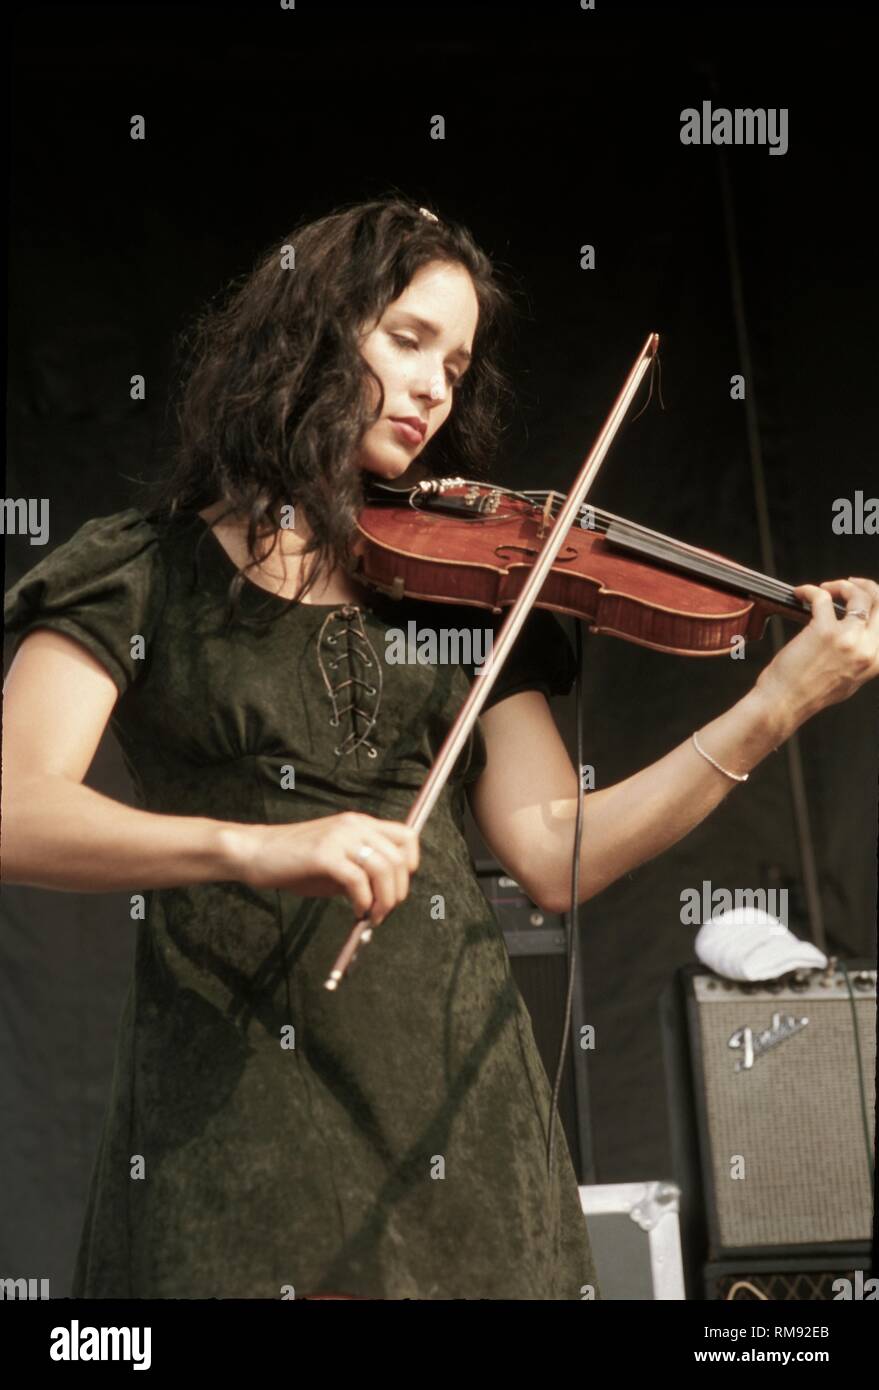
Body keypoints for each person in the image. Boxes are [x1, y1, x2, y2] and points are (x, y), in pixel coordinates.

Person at [2, 197, 877, 1301]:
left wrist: (774, 705)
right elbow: (17, 810)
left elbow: (560, 846)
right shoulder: (137, 571)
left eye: (456, 366)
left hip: (465, 1128)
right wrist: (263, 848)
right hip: (230, 1126)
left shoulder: (464, 586)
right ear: (309, 332)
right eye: (407, 340)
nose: (433, 387)